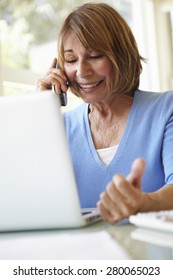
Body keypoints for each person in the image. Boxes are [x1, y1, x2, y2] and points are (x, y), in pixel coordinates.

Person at [37, 2, 173, 224]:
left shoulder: (166, 110)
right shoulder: (57, 126)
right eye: (71, 60)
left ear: (121, 56)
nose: (82, 71)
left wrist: (145, 202)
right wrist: (40, 112)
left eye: (95, 56)